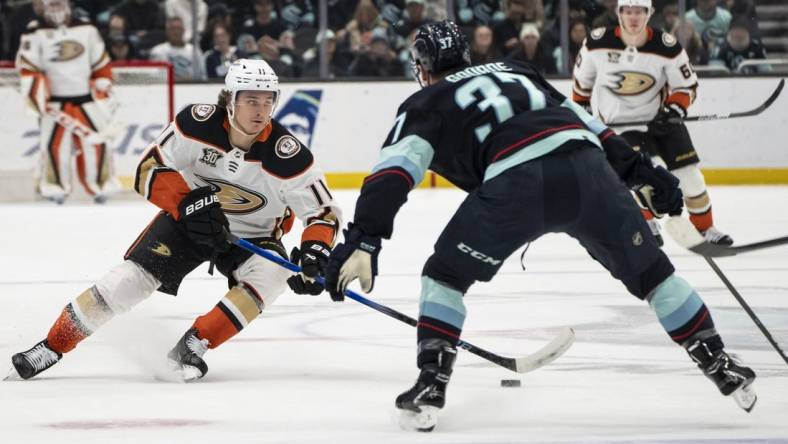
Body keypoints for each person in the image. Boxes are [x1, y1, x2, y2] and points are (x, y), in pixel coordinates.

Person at [324, 20, 756, 432]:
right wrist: (644, 172)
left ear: (423, 66)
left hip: (517, 187)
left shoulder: (423, 103)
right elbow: (592, 126)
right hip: (589, 172)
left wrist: (366, 238)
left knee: (445, 275)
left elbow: (392, 174)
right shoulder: (518, 70)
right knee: (654, 275)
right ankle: (719, 362)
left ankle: (431, 384)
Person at [10, 59, 341, 382]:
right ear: (230, 99)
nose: (260, 110)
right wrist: (187, 205)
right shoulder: (196, 124)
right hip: (188, 222)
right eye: (251, 100)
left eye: (268, 101)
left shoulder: (290, 155)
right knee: (125, 283)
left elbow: (322, 212)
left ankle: (192, 346)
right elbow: (148, 168)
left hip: (252, 237)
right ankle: (51, 346)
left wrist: (315, 251)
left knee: (274, 273)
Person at [572, 0, 733, 246]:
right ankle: (646, 222)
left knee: (690, 177)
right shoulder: (596, 43)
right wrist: (585, 121)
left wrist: (674, 109)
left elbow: (686, 86)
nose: (633, 17)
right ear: (619, 13)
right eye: (628, 11)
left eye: (639, 12)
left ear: (650, 14)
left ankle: (705, 228)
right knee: (640, 181)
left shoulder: (666, 46)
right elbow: (581, 88)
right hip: (620, 127)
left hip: (661, 121)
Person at [15, 0, 118, 204]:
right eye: (51, 4)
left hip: (86, 100)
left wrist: (102, 81)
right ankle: (55, 188)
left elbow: (100, 61)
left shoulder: (87, 28)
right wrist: (35, 90)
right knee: (54, 147)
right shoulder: (34, 32)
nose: (55, 8)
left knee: (97, 144)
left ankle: (100, 187)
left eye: (59, 3)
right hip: (53, 104)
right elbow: (27, 65)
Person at [150, 16, 206, 81]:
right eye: (172, 29)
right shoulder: (157, 51)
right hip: (165, 89)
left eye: (179, 28)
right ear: (167, 31)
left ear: (184, 30)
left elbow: (202, 75)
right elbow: (153, 78)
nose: (176, 32)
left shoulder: (195, 51)